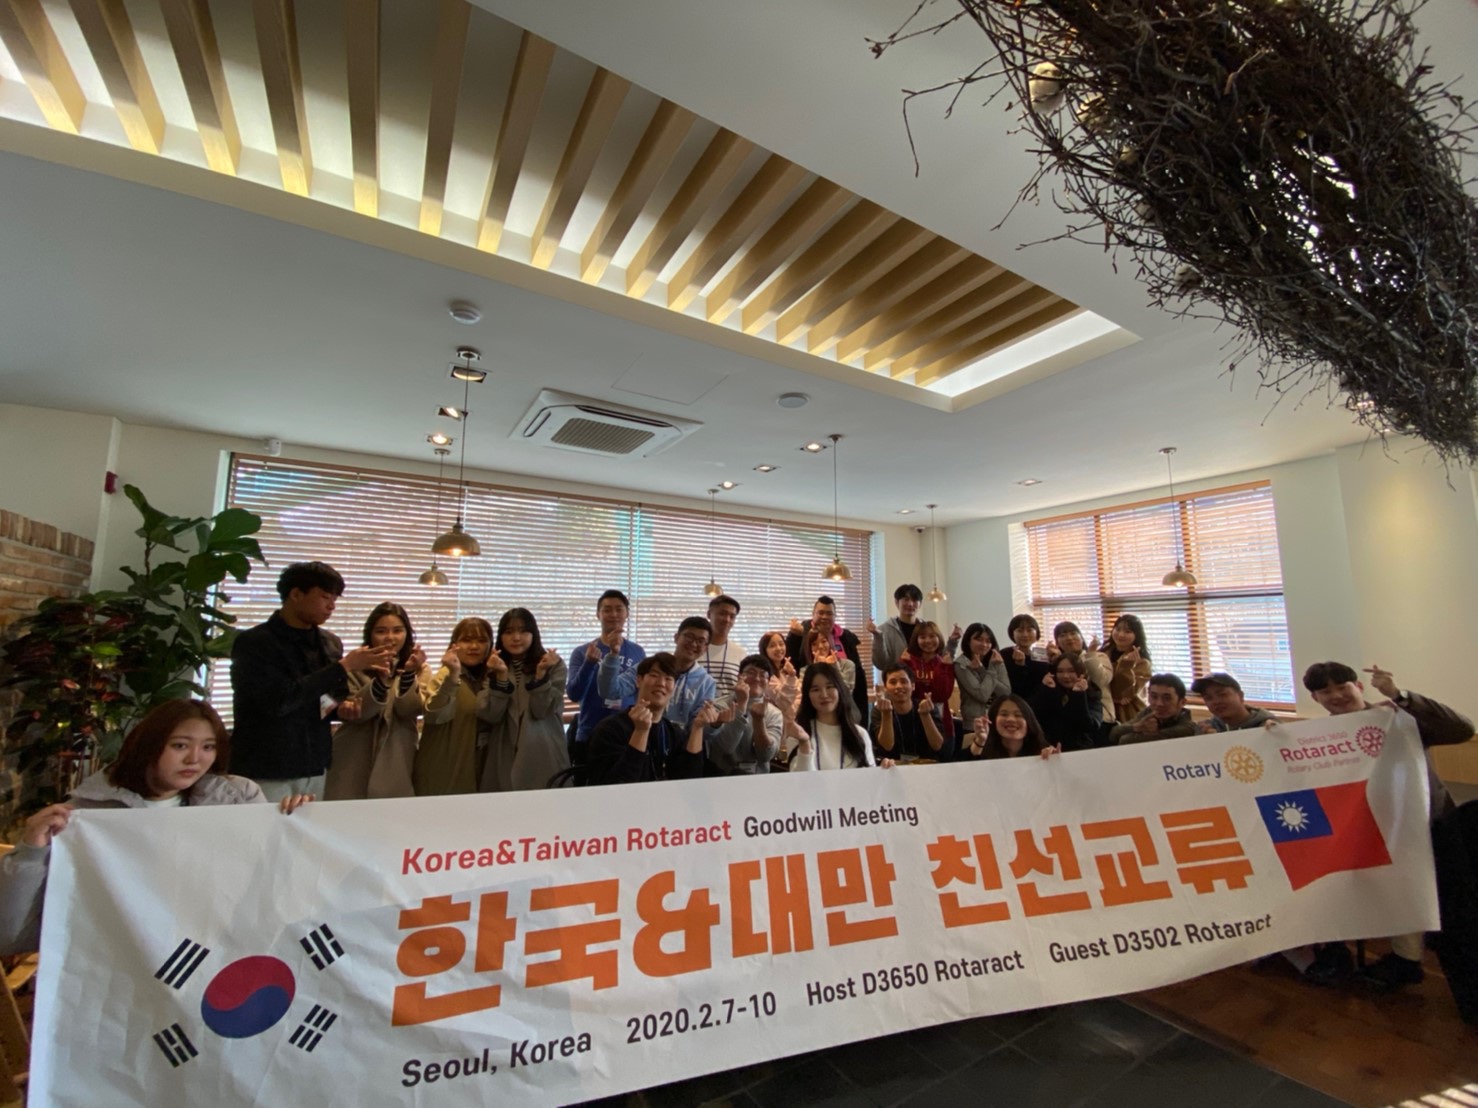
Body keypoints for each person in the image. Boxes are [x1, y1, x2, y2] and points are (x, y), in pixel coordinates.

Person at [0, 699, 311, 955]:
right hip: (128, 964)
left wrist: (296, 826)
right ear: (148, 745)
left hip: (216, 957)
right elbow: (11, 934)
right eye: (180, 745)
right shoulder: (86, 816)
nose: (194, 759)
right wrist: (30, 851)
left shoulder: (237, 797)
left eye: (208, 747)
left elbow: (272, 885)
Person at [1297, 660, 1475, 991]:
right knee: (1377, 889)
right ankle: (1395, 959)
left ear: (1358, 686)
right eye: (1325, 691)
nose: (1336, 695)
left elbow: (1461, 730)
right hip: (1362, 829)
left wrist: (1399, 695)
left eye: (1342, 687)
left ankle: (1419, 963)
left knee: (1433, 896)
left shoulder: (1398, 716)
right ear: (1315, 698)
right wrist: (1274, 740)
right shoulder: (1316, 736)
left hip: (1423, 824)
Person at [229, 561, 394, 801]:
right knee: (264, 824)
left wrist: (341, 709)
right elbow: (278, 701)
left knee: (310, 824)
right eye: (325, 597)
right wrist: (344, 666)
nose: (331, 606)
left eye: (335, 599)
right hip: (266, 764)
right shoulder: (255, 642)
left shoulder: (330, 643)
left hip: (315, 763)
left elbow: (329, 697)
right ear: (296, 594)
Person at [323, 602, 428, 800]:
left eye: (397, 630)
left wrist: (408, 673)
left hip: (397, 754)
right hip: (353, 751)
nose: (390, 637)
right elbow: (357, 711)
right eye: (381, 631)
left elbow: (410, 710)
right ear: (370, 634)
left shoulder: (420, 667)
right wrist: (379, 681)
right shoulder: (355, 664)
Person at [586, 654, 721, 784]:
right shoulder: (610, 729)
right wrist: (641, 731)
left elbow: (690, 781)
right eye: (654, 675)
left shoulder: (674, 733)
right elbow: (617, 785)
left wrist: (698, 728)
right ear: (639, 680)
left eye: (668, 679)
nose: (661, 683)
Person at [480, 608, 569, 792]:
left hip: (542, 749)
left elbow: (541, 711)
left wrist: (541, 676)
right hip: (503, 749)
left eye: (523, 631)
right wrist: (501, 677)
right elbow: (491, 714)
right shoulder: (492, 665)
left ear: (533, 634)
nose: (516, 638)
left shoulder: (553, 664)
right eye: (509, 631)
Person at [414, 617, 493, 796]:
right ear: (454, 645)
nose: (474, 647)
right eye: (466, 640)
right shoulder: (446, 675)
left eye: (481, 640)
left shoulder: (490, 677)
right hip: (444, 769)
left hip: (477, 767)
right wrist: (453, 676)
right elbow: (433, 715)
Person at [600, 616, 718, 731]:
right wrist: (614, 654)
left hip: (679, 741)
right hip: (639, 733)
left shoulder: (706, 683)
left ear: (706, 648)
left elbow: (699, 728)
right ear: (676, 637)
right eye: (689, 637)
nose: (693, 644)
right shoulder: (651, 667)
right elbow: (610, 691)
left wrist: (714, 725)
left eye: (701, 641)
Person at [566, 590, 645, 760]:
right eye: (607, 610)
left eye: (619, 609)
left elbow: (641, 693)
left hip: (627, 735)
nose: (614, 614)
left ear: (627, 613)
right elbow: (574, 694)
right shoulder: (582, 652)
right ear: (598, 615)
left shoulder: (638, 652)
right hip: (589, 733)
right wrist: (589, 663)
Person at [785, 595, 869, 720]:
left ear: (835, 616)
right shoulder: (801, 634)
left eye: (829, 613)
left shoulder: (846, 637)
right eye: (821, 613)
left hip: (845, 712)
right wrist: (795, 637)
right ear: (813, 614)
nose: (824, 617)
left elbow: (857, 681)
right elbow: (790, 664)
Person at [784, 662, 876, 770]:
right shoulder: (798, 734)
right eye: (815, 689)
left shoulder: (859, 734)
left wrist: (887, 768)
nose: (824, 695)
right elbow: (799, 778)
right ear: (807, 695)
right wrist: (804, 743)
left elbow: (870, 776)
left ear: (839, 690)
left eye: (829, 687)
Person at [708, 654, 784, 774]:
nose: (757, 678)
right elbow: (725, 748)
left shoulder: (774, 713)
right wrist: (741, 705)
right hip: (720, 775)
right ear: (739, 676)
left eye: (763, 675)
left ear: (768, 681)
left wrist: (759, 721)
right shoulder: (719, 705)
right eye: (751, 673)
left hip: (758, 778)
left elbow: (765, 756)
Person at [867, 584, 961, 677]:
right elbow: (881, 664)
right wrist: (878, 636)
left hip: (926, 682)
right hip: (899, 682)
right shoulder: (884, 630)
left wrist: (953, 641)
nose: (910, 604)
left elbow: (942, 658)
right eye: (906, 599)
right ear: (896, 602)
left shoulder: (927, 629)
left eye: (915, 600)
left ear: (920, 604)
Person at [870, 663, 948, 761]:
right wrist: (886, 714)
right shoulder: (880, 710)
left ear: (913, 686)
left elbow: (937, 746)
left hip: (925, 764)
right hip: (892, 765)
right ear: (885, 687)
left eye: (904, 681)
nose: (898, 686)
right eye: (893, 682)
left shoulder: (927, 707)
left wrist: (925, 715)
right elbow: (887, 746)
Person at [1031, 652, 1105, 752]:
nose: (1065, 676)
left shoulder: (1092, 694)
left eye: (1071, 671)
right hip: (1048, 749)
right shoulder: (1049, 690)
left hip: (1081, 750)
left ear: (1081, 673)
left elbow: (1089, 725)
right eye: (1060, 671)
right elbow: (1034, 718)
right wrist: (1045, 690)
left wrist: (1078, 695)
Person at [900, 621, 957, 745]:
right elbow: (906, 693)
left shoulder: (944, 662)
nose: (928, 641)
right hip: (914, 724)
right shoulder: (908, 661)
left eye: (932, 636)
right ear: (916, 640)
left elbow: (942, 695)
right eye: (922, 637)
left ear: (939, 638)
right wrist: (906, 664)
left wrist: (944, 667)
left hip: (941, 724)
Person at [1048, 621, 1113, 721]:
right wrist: (1054, 661)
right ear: (1057, 643)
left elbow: (1099, 681)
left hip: (1100, 716)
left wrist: (1091, 654)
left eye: (1073, 633)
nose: (1069, 638)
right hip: (1067, 718)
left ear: (1081, 637)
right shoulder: (1056, 662)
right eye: (1062, 635)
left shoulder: (1099, 656)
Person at [958, 695, 1055, 760]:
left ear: (1029, 722)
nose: (1011, 719)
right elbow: (963, 772)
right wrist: (980, 740)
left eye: (1018, 715)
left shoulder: (1040, 751)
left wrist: (1054, 760)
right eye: (1004, 714)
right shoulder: (981, 749)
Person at [1111, 673, 1197, 743]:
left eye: (1167, 698)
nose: (1159, 703)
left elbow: (1125, 740)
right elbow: (1114, 733)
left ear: (1182, 702)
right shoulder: (1149, 712)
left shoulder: (1187, 728)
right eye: (1154, 696)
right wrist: (1136, 727)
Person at [954, 622, 1009, 729]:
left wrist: (982, 671)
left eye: (988, 641)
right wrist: (992, 670)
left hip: (998, 721)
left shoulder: (996, 660)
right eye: (978, 639)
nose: (984, 644)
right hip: (975, 724)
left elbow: (1005, 692)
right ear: (968, 641)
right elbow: (982, 695)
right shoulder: (961, 664)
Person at [1105, 614, 1153, 723]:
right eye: (1117, 629)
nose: (1121, 634)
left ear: (1137, 635)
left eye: (1128, 631)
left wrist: (1126, 666)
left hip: (1128, 713)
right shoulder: (1103, 653)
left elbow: (1125, 692)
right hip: (1104, 709)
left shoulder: (1142, 662)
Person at [1192, 673, 1274, 733]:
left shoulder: (1268, 725)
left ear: (1240, 696)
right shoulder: (1206, 728)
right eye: (1208, 698)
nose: (1216, 701)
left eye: (1222, 695)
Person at [700, 594, 743, 706]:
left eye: (732, 616)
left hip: (729, 713)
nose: (727, 620)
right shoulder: (695, 649)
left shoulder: (740, 653)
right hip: (696, 712)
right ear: (709, 614)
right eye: (722, 614)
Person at [799, 628, 858, 698]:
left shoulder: (847, 665)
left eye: (824, 641)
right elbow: (805, 696)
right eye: (814, 644)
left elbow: (846, 693)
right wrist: (816, 669)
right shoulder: (804, 671)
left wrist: (834, 667)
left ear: (830, 642)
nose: (820, 646)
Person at [1003, 614, 1051, 699]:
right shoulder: (1005, 654)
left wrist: (1055, 659)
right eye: (1020, 630)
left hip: (1041, 702)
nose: (1025, 634)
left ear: (1037, 633)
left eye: (1029, 630)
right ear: (1012, 633)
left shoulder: (1041, 653)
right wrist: (1019, 666)